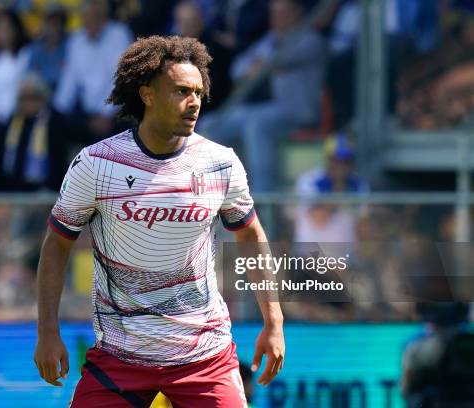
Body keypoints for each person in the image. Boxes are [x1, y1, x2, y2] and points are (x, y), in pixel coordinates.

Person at [34, 35, 285, 407]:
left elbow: (251, 236)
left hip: (204, 355)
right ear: (147, 94)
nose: (194, 102)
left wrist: (274, 321)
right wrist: (47, 331)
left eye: (199, 92)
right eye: (182, 91)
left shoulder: (220, 163)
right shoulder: (96, 164)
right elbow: (56, 246)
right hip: (121, 355)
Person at [200, 0, 326, 192]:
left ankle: (262, 198)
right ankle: (213, 194)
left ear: (298, 13)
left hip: (295, 112)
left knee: (257, 125)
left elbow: (277, 60)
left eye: (284, 13)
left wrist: (260, 65)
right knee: (209, 125)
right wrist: (259, 66)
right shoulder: (269, 39)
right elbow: (237, 69)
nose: (278, 18)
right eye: (275, 13)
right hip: (262, 110)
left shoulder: (310, 39)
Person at [53, 0, 132, 145]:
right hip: (86, 114)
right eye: (86, 18)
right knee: (54, 122)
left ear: (104, 17)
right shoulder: (76, 40)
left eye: (95, 17)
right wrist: (58, 111)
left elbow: (122, 79)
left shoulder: (119, 34)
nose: (90, 22)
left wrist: (106, 114)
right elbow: (68, 82)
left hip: (115, 112)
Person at [0, 73, 68, 192]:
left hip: (48, 190)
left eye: (33, 97)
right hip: (13, 188)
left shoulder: (56, 121)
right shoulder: (13, 121)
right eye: (23, 98)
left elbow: (60, 161)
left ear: (44, 98)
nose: (28, 102)